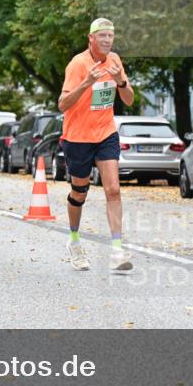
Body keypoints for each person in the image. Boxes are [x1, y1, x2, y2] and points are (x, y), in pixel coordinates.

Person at [58, 18, 135, 273]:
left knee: (113, 189)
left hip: (105, 133)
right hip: (78, 137)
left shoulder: (114, 61)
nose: (107, 41)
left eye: (110, 36)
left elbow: (129, 99)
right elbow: (62, 104)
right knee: (80, 192)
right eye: (102, 36)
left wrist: (121, 82)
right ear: (91, 39)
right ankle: (74, 241)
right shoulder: (78, 64)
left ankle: (116, 249)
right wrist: (86, 83)